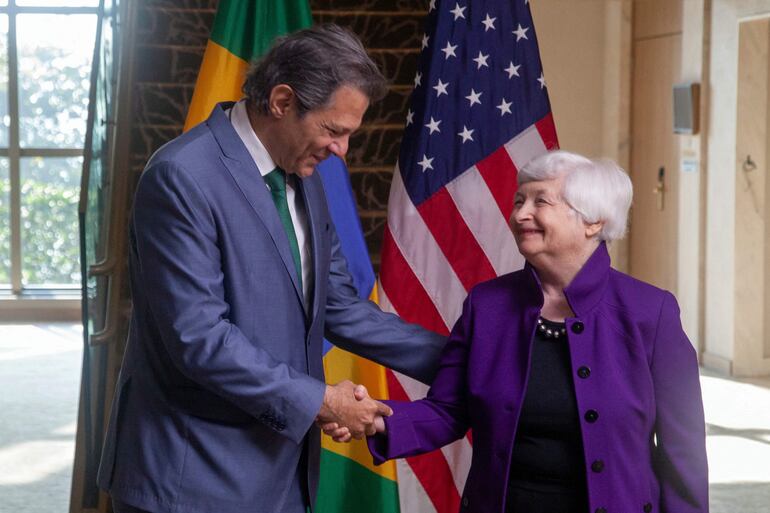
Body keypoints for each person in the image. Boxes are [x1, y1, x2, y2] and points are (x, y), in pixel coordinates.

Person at [97, 24, 445, 513]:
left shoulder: (305, 172)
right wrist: (322, 401)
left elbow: (340, 307)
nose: (341, 150)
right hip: (191, 478)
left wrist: (464, 360)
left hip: (282, 472)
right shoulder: (181, 177)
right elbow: (199, 339)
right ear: (282, 101)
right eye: (334, 130)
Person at [327, 151, 708, 512]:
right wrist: (374, 418)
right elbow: (449, 410)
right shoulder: (486, 305)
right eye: (518, 201)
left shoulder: (651, 312)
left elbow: (683, 450)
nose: (521, 213)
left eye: (540, 202)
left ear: (594, 221)